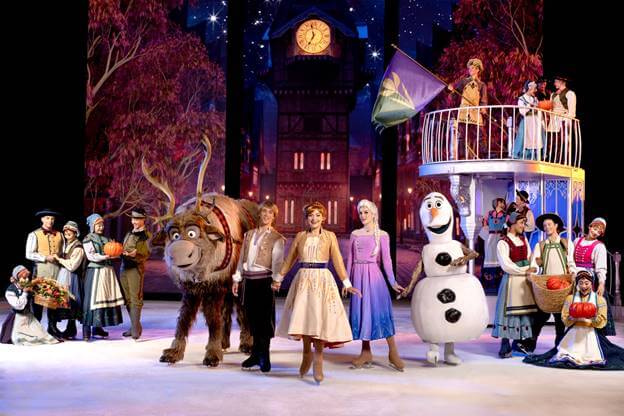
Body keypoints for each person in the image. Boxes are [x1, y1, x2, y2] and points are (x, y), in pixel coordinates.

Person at [276, 202, 361, 384]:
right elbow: (290, 259)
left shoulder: (330, 236)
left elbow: (337, 260)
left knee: (320, 320)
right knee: (305, 318)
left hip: (322, 280)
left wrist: (346, 283)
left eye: (317, 215)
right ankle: (306, 353)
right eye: (310, 215)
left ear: (323, 218)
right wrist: (279, 278)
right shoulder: (300, 236)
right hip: (303, 280)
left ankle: (318, 359)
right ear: (306, 218)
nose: (314, 219)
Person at [523, 271, 624, 370]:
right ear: (577, 284)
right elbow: (565, 318)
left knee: (595, 355)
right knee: (565, 354)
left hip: (591, 332)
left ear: (591, 283)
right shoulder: (570, 299)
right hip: (574, 332)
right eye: (581, 283)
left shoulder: (599, 299)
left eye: (586, 283)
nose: (583, 286)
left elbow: (602, 320)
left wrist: (593, 317)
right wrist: (572, 318)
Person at [347, 199, 405, 371]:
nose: (363, 215)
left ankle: (393, 352)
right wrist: (347, 282)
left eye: (366, 212)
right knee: (362, 312)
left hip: (373, 277)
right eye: (360, 212)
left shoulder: (383, 235)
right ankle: (365, 352)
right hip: (358, 277)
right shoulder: (355, 234)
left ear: (373, 214)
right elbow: (350, 259)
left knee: (379, 311)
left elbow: (387, 261)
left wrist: (392, 282)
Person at [232, 201, 285, 373]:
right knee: (252, 318)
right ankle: (255, 354)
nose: (266, 215)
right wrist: (237, 279)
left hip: (265, 281)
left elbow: (278, 261)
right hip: (249, 281)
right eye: (264, 212)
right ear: (259, 214)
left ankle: (264, 356)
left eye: (270, 213)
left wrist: (276, 280)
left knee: (264, 320)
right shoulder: (249, 235)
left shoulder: (277, 238)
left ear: (274, 217)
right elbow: (242, 259)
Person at [528, 213, 576, 351]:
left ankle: (558, 346)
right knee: (540, 316)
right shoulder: (541, 245)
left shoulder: (566, 243)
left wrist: (573, 273)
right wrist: (533, 273)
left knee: (560, 318)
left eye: (549, 224)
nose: (547, 227)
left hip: (563, 285)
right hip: (547, 285)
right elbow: (535, 264)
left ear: (556, 226)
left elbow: (571, 262)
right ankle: (531, 344)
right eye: (544, 226)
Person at [492, 212, 537, 358]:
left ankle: (518, 343)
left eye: (524, 223)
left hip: (523, 282)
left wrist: (532, 267)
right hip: (511, 280)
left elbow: (530, 257)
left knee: (523, 312)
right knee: (509, 312)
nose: (523, 226)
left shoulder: (524, 240)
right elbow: (506, 265)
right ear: (512, 223)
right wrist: (525, 270)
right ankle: (505, 344)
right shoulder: (503, 242)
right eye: (521, 223)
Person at [82, 213, 124, 341]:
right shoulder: (88, 239)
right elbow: (91, 256)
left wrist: (120, 253)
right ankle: (86, 330)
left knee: (104, 299)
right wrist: (105, 257)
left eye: (102, 225)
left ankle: (98, 327)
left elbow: (114, 251)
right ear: (92, 226)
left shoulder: (107, 239)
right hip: (95, 271)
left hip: (107, 271)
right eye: (98, 225)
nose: (101, 227)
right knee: (92, 300)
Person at [574, 217, 616, 336]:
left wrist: (601, 283)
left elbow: (601, 268)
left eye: (599, 231)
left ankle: (591, 335)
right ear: (590, 226)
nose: (596, 232)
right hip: (574, 276)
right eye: (595, 228)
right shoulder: (577, 241)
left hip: (588, 279)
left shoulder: (599, 246)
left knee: (589, 307)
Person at [25, 209, 64, 338]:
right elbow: (29, 254)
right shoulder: (34, 234)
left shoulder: (60, 235)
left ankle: (52, 328)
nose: (50, 221)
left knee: (54, 301)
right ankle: (36, 330)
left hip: (57, 271)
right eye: (47, 218)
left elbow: (63, 252)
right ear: (42, 219)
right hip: (42, 270)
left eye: (52, 219)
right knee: (39, 302)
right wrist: (45, 257)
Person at [0, 266, 59, 345]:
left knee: (42, 336)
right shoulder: (10, 291)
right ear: (18, 277)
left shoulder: (28, 285)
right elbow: (19, 306)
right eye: (24, 277)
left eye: (27, 278)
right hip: (18, 317)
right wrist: (24, 292)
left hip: (29, 316)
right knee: (19, 338)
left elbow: (40, 294)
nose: (26, 279)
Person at [120, 208, 151, 340]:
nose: (134, 222)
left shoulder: (146, 235)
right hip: (124, 267)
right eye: (133, 219)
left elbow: (147, 252)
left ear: (143, 220)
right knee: (127, 298)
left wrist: (136, 253)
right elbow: (124, 247)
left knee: (135, 298)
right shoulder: (129, 233)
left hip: (135, 269)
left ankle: (135, 329)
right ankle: (135, 326)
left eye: (137, 219)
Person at [448, 58, 489, 159]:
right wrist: (452, 90)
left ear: (478, 70)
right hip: (464, 110)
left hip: (475, 110)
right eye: (470, 68)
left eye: (473, 68)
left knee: (481, 133)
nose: (470, 70)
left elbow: (483, 99)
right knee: (462, 134)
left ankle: (484, 155)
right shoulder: (464, 81)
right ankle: (462, 156)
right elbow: (455, 95)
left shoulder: (482, 85)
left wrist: (483, 108)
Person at [54, 221, 85, 340]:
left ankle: (71, 328)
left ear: (76, 233)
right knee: (64, 301)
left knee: (72, 301)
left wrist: (59, 259)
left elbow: (72, 266)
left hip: (72, 276)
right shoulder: (66, 244)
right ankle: (68, 329)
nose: (67, 233)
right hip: (64, 274)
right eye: (66, 231)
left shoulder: (78, 247)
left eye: (70, 231)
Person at [546, 76, 577, 164]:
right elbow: (551, 109)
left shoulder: (570, 93)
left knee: (562, 144)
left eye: (556, 82)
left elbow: (572, 112)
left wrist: (565, 121)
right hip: (553, 121)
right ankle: (551, 161)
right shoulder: (553, 94)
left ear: (561, 82)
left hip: (563, 121)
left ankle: (562, 162)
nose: (554, 84)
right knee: (552, 143)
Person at [513, 80, 546, 160]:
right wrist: (529, 106)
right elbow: (522, 111)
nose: (536, 90)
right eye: (534, 89)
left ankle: (535, 156)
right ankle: (523, 156)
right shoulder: (522, 99)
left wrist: (542, 122)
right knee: (524, 137)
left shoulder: (535, 99)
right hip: (527, 120)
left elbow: (539, 111)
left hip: (536, 121)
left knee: (537, 138)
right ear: (530, 88)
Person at [481, 198, 507, 294]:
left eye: (503, 202)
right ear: (496, 203)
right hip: (491, 237)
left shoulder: (505, 215)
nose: (502, 204)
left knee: (499, 256)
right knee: (489, 255)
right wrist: (486, 226)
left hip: (500, 237)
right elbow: (484, 221)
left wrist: (505, 233)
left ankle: (499, 283)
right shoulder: (489, 213)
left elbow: (507, 225)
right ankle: (489, 283)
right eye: (501, 202)